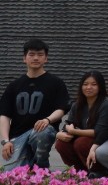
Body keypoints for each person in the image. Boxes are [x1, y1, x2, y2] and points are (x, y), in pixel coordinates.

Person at [1, 38, 69, 171]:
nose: (36, 58)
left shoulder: (56, 83)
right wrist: (5, 141)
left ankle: (41, 168)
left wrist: (47, 120)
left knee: (42, 132)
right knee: (13, 176)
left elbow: (61, 108)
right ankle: (31, 164)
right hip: (18, 137)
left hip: (43, 132)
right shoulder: (14, 86)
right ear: (24, 58)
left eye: (40, 54)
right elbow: (4, 115)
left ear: (46, 58)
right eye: (31, 54)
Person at [54, 70, 108, 173]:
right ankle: (80, 170)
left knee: (81, 142)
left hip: (102, 142)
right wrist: (59, 134)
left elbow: (99, 132)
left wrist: (74, 131)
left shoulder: (106, 105)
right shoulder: (77, 104)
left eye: (93, 84)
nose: (89, 87)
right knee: (61, 143)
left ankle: (98, 170)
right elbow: (68, 124)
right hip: (81, 139)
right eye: (85, 84)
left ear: (100, 87)